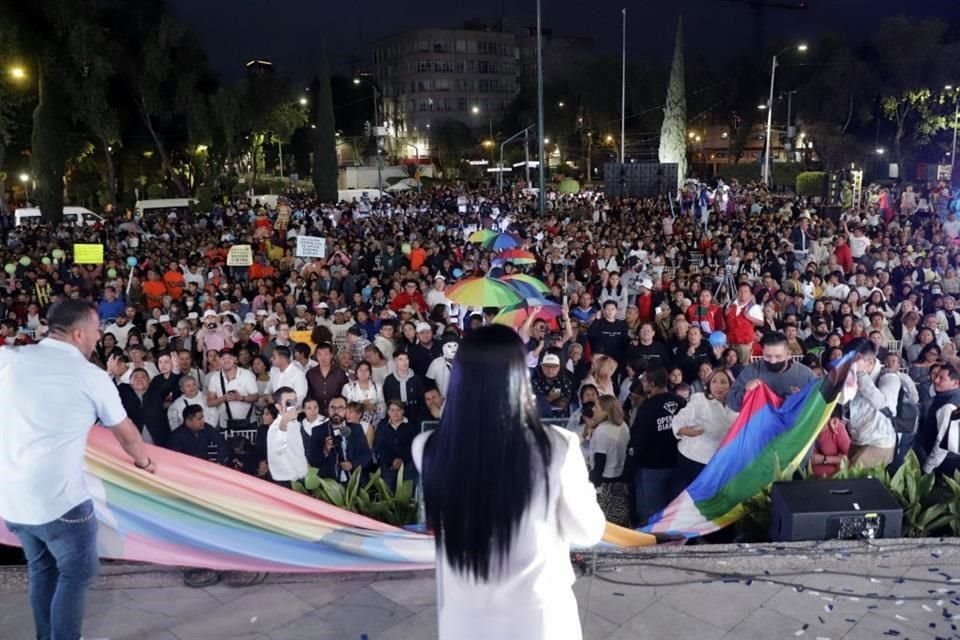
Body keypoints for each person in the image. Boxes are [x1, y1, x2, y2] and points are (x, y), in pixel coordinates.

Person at [412, 325, 605, 640]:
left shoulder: (428, 448)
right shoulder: (557, 447)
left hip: (464, 622)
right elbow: (587, 531)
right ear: (519, 377)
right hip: (539, 621)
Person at [1, 299, 155, 640]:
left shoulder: (9, 359)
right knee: (76, 573)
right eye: (98, 330)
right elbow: (127, 434)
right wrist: (144, 462)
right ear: (79, 333)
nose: (99, 337)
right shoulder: (90, 376)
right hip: (60, 504)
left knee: (42, 569)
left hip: (11, 500)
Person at [626, 366, 686, 527]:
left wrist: (629, 466)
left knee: (651, 515)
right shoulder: (680, 402)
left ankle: (652, 548)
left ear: (651, 384)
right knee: (673, 511)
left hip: (651, 468)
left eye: (645, 381)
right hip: (677, 464)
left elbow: (638, 440)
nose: (643, 384)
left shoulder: (647, 408)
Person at [670, 368, 738, 486]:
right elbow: (679, 419)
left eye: (723, 382)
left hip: (722, 461)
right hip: (696, 460)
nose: (718, 386)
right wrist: (685, 430)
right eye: (714, 382)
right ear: (708, 384)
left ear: (730, 385)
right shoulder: (700, 400)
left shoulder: (735, 404)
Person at [726, 331, 817, 412]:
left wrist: (803, 398)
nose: (773, 361)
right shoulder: (752, 371)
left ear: (788, 354)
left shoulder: (805, 374)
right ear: (762, 353)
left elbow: (819, 401)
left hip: (793, 426)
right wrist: (746, 392)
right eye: (768, 356)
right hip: (762, 426)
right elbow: (732, 403)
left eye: (778, 356)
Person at [845, 340, 898, 468]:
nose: (850, 366)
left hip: (879, 440)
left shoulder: (889, 377)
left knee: (855, 481)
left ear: (869, 361)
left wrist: (861, 374)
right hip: (857, 437)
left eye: (852, 362)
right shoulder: (850, 375)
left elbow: (883, 403)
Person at [587, 394, 631, 527]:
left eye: (596, 406)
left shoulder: (601, 431)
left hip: (604, 485)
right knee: (619, 522)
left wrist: (592, 485)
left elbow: (600, 463)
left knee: (604, 526)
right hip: (621, 482)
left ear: (606, 411)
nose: (593, 409)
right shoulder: (623, 426)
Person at [311, 396, 373, 483]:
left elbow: (367, 456)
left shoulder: (356, 429)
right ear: (327, 410)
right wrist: (325, 450)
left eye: (340, 408)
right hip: (330, 483)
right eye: (333, 408)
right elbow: (314, 462)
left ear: (346, 410)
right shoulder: (317, 431)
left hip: (354, 481)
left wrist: (352, 465)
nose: (336, 411)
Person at [265, 386, 308, 487]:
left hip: (301, 478)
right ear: (278, 407)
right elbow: (279, 449)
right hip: (285, 482)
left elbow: (298, 449)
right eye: (289, 403)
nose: (293, 406)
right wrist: (284, 422)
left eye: (295, 401)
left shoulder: (295, 423)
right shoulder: (275, 428)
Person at [374, 399, 418, 491]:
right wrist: (393, 460)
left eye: (398, 410)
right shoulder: (382, 425)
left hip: (407, 462)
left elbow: (414, 446)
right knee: (388, 489)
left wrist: (402, 460)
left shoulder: (411, 425)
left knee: (408, 489)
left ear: (403, 411)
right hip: (389, 463)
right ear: (388, 412)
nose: (395, 413)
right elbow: (379, 446)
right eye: (392, 410)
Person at [306, 342, 350, 415]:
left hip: (336, 413)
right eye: (320, 355)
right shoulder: (310, 374)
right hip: (317, 413)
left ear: (331, 355)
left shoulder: (340, 373)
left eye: (326, 354)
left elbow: (346, 393)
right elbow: (308, 395)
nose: (323, 358)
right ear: (316, 356)